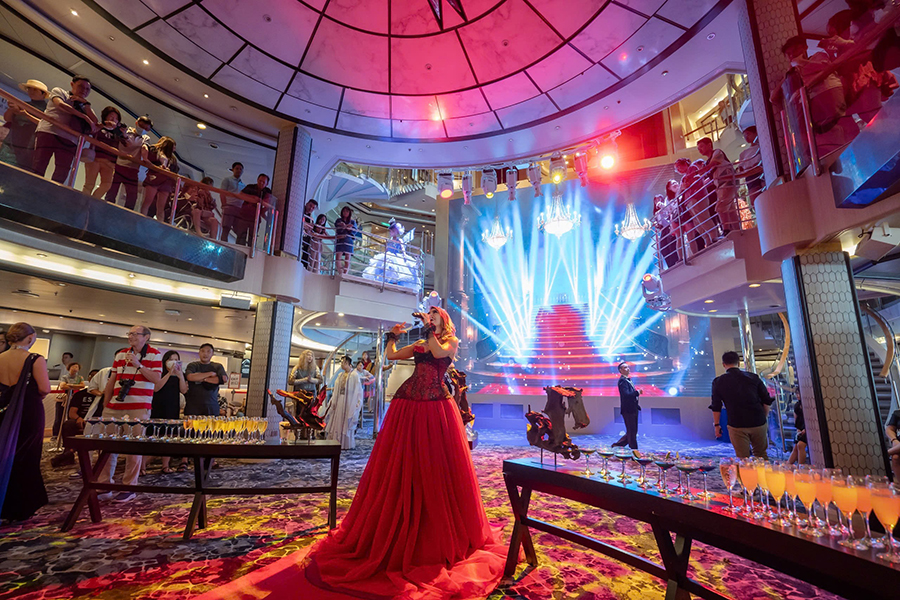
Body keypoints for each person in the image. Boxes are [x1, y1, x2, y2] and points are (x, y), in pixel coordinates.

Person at [203, 306, 505, 599]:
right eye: (431, 314)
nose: (432, 316)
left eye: (436, 314)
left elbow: (439, 354)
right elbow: (390, 356)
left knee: (436, 464)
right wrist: (392, 336)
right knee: (402, 463)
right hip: (409, 405)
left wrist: (428, 328)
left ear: (443, 320)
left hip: (436, 407)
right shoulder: (420, 344)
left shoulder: (449, 342)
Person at [97, 325, 162, 503]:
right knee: (107, 446)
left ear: (146, 337)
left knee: (133, 448)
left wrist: (138, 365)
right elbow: (112, 380)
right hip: (114, 406)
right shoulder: (121, 354)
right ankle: (105, 485)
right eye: (130, 333)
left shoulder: (155, 354)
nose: (131, 336)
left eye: (135, 334)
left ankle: (129, 487)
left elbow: (156, 380)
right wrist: (106, 403)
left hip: (139, 407)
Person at [0, 323, 51, 522]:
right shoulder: (35, 359)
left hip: (4, 410)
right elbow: (45, 388)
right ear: (30, 338)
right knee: (27, 455)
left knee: (4, 453)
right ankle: (21, 507)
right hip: (28, 410)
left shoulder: (1, 357)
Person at [32, 75, 98, 183]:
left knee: (62, 172)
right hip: (49, 132)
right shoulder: (60, 92)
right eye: (81, 86)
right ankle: (30, 189)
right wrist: (84, 117)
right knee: (39, 165)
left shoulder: (85, 106)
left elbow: (94, 123)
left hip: (70, 140)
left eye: (87, 89)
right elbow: (60, 105)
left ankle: (52, 193)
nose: (84, 90)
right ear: (72, 84)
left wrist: (86, 105)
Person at [710, 351, 774, 459]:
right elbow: (766, 400)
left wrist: (717, 425)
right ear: (738, 363)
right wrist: (764, 418)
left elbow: (716, 406)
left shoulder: (718, 381)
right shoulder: (753, 377)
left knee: (743, 458)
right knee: (761, 455)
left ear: (723, 364)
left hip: (736, 423)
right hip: (758, 421)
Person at [104, 116, 151, 210]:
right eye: (142, 126)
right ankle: (106, 210)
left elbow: (144, 148)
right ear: (136, 123)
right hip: (120, 165)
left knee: (132, 197)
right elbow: (124, 142)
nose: (143, 129)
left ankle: (125, 215)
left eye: (146, 128)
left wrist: (145, 158)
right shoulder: (126, 131)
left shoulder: (145, 138)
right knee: (111, 192)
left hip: (133, 169)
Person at [151, 351, 187, 473]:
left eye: (176, 359)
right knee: (154, 435)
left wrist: (180, 375)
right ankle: (143, 466)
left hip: (172, 407)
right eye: (171, 359)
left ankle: (165, 466)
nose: (174, 362)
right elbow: (156, 388)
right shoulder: (159, 373)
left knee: (169, 436)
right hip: (158, 407)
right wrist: (169, 373)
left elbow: (183, 390)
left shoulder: (180, 375)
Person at [697, 137, 739, 236]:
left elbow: (714, 164)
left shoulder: (717, 152)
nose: (700, 150)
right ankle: (737, 230)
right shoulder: (707, 162)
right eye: (698, 148)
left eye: (701, 146)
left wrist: (697, 172)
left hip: (727, 182)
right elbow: (710, 177)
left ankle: (727, 230)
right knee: (730, 209)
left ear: (709, 145)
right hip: (722, 185)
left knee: (720, 208)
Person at [1, 79, 48, 168]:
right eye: (29, 89)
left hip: (28, 148)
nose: (31, 91)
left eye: (35, 89)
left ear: (43, 94)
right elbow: (7, 118)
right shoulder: (23, 104)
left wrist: (26, 115)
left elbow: (45, 126)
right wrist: (11, 108)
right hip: (11, 143)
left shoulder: (46, 111)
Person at [362, 219, 419, 288]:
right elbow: (387, 249)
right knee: (384, 268)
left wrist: (404, 255)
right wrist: (385, 253)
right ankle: (385, 283)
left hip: (396, 257)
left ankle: (394, 283)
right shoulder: (389, 240)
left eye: (392, 231)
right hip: (388, 255)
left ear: (396, 232)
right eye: (390, 231)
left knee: (394, 270)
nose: (391, 232)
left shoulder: (399, 240)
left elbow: (402, 248)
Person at [82, 106, 122, 199]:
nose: (114, 119)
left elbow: (123, 146)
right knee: (89, 184)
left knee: (107, 185)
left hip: (109, 162)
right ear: (105, 116)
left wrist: (122, 133)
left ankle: (92, 201)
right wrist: (104, 124)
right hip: (94, 159)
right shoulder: (98, 127)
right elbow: (90, 131)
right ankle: (82, 202)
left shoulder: (117, 133)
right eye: (111, 116)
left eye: (116, 118)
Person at [324, 356, 363, 450]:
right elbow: (336, 389)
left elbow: (357, 390)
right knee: (337, 420)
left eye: (344, 363)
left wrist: (356, 402)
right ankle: (336, 441)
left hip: (349, 401)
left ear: (349, 364)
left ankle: (345, 443)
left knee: (346, 420)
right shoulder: (340, 375)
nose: (342, 364)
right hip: (340, 400)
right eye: (341, 362)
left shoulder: (354, 375)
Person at [184, 343, 227, 416]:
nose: (205, 354)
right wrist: (210, 374)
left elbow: (223, 379)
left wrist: (203, 379)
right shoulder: (193, 365)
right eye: (202, 351)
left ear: (212, 354)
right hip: (193, 406)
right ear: (199, 353)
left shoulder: (217, 366)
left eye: (208, 351)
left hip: (211, 406)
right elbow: (190, 377)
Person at [140, 136, 178, 220]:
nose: (174, 149)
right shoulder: (155, 152)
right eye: (173, 146)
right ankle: (141, 220)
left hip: (166, 181)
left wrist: (169, 171)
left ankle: (159, 223)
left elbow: (175, 171)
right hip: (154, 178)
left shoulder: (173, 159)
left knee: (161, 207)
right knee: (147, 202)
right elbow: (147, 159)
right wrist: (157, 167)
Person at [233, 173, 272, 246]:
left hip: (255, 218)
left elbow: (268, 204)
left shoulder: (267, 192)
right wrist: (253, 199)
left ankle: (250, 251)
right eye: (260, 181)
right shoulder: (250, 187)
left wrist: (262, 211)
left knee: (253, 238)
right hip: (244, 216)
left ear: (267, 184)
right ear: (257, 180)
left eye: (263, 182)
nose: (261, 183)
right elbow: (240, 195)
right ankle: (239, 250)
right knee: (241, 236)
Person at [612, 362, 641, 449]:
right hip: (628, 410)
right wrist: (637, 392)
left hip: (633, 408)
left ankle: (618, 445)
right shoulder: (622, 381)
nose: (628, 369)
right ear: (620, 370)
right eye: (625, 367)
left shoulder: (628, 380)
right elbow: (626, 395)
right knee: (631, 431)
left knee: (632, 431)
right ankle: (634, 450)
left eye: (628, 367)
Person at [54, 362, 84, 442]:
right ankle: (55, 434)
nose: (75, 368)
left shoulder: (80, 377)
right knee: (59, 417)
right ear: (69, 368)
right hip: (63, 399)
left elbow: (82, 385)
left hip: (74, 399)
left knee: (70, 417)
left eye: (77, 367)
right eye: (73, 367)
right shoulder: (64, 377)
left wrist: (70, 385)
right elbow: (63, 386)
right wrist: (75, 386)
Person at [736, 126, 765, 207]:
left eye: (748, 134)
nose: (746, 137)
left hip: (761, 174)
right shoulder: (743, 153)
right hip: (750, 177)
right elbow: (741, 169)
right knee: (755, 200)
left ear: (755, 133)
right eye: (744, 135)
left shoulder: (761, 147)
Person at [219, 162, 244, 242]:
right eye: (237, 168)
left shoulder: (243, 185)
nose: (239, 170)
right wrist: (224, 205)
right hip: (229, 206)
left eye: (240, 169)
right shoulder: (227, 180)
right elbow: (222, 193)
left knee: (239, 230)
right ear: (233, 169)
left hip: (239, 209)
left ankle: (237, 247)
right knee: (226, 228)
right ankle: (223, 245)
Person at [334, 206, 358, 275]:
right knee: (338, 258)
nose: (345, 213)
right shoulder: (339, 220)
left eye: (347, 211)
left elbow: (354, 231)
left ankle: (345, 273)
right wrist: (343, 226)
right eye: (344, 211)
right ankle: (341, 272)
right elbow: (337, 226)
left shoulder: (352, 222)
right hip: (340, 239)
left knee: (347, 258)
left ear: (349, 213)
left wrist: (349, 228)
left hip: (348, 240)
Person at [787, 400, 808, 465]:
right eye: (797, 394)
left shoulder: (809, 404)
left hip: (809, 429)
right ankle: (788, 465)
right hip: (801, 428)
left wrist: (806, 429)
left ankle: (800, 466)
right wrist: (798, 429)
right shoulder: (797, 405)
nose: (798, 395)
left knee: (800, 444)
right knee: (796, 447)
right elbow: (796, 420)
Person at [300, 199, 319, 270]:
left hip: (305, 241)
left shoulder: (311, 219)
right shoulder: (300, 210)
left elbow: (310, 229)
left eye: (313, 208)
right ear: (307, 204)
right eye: (310, 206)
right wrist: (305, 225)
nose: (311, 208)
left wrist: (306, 226)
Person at [886, 408, 900, 480]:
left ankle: (886, 453)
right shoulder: (898, 413)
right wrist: (894, 440)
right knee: (895, 457)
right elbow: (889, 429)